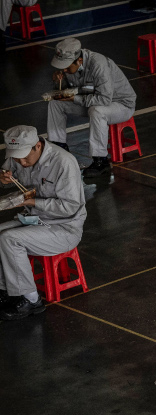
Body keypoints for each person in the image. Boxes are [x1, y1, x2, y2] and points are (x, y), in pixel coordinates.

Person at [0, 125, 86, 321]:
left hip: (64, 227)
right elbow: (5, 173)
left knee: (10, 240)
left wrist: (31, 201)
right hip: (33, 220)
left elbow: (70, 207)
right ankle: (5, 291)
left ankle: (32, 300)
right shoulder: (18, 157)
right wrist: (2, 179)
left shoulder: (63, 162)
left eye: (24, 157)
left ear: (37, 146)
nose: (20, 162)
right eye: (15, 157)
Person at [46, 38, 137, 178]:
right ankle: (59, 149)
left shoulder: (98, 64)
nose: (63, 69)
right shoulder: (71, 66)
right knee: (55, 103)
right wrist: (59, 82)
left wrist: (74, 98)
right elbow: (79, 89)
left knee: (97, 111)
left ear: (79, 61)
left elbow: (104, 99)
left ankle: (100, 161)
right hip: (91, 101)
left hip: (120, 104)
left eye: (66, 66)